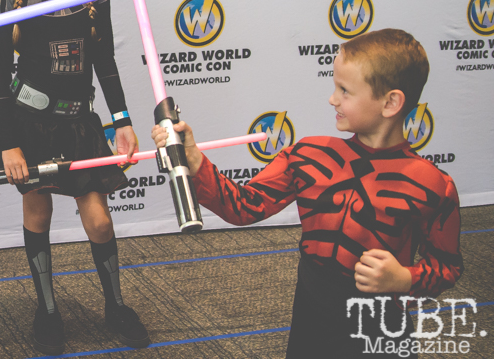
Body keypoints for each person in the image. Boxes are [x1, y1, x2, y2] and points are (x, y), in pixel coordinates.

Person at [152, 29, 463, 359]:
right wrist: (195, 159)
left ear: (391, 103)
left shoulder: (432, 184)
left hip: (380, 329)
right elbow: (243, 206)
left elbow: (447, 265)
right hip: (311, 318)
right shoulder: (309, 156)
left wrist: (405, 279)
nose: (333, 99)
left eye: (345, 91)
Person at [0, 0, 150, 354]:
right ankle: (47, 311)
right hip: (27, 123)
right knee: (39, 213)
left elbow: (104, 59)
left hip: (79, 123)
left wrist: (122, 119)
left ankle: (115, 306)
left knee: (100, 222)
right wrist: (8, 142)